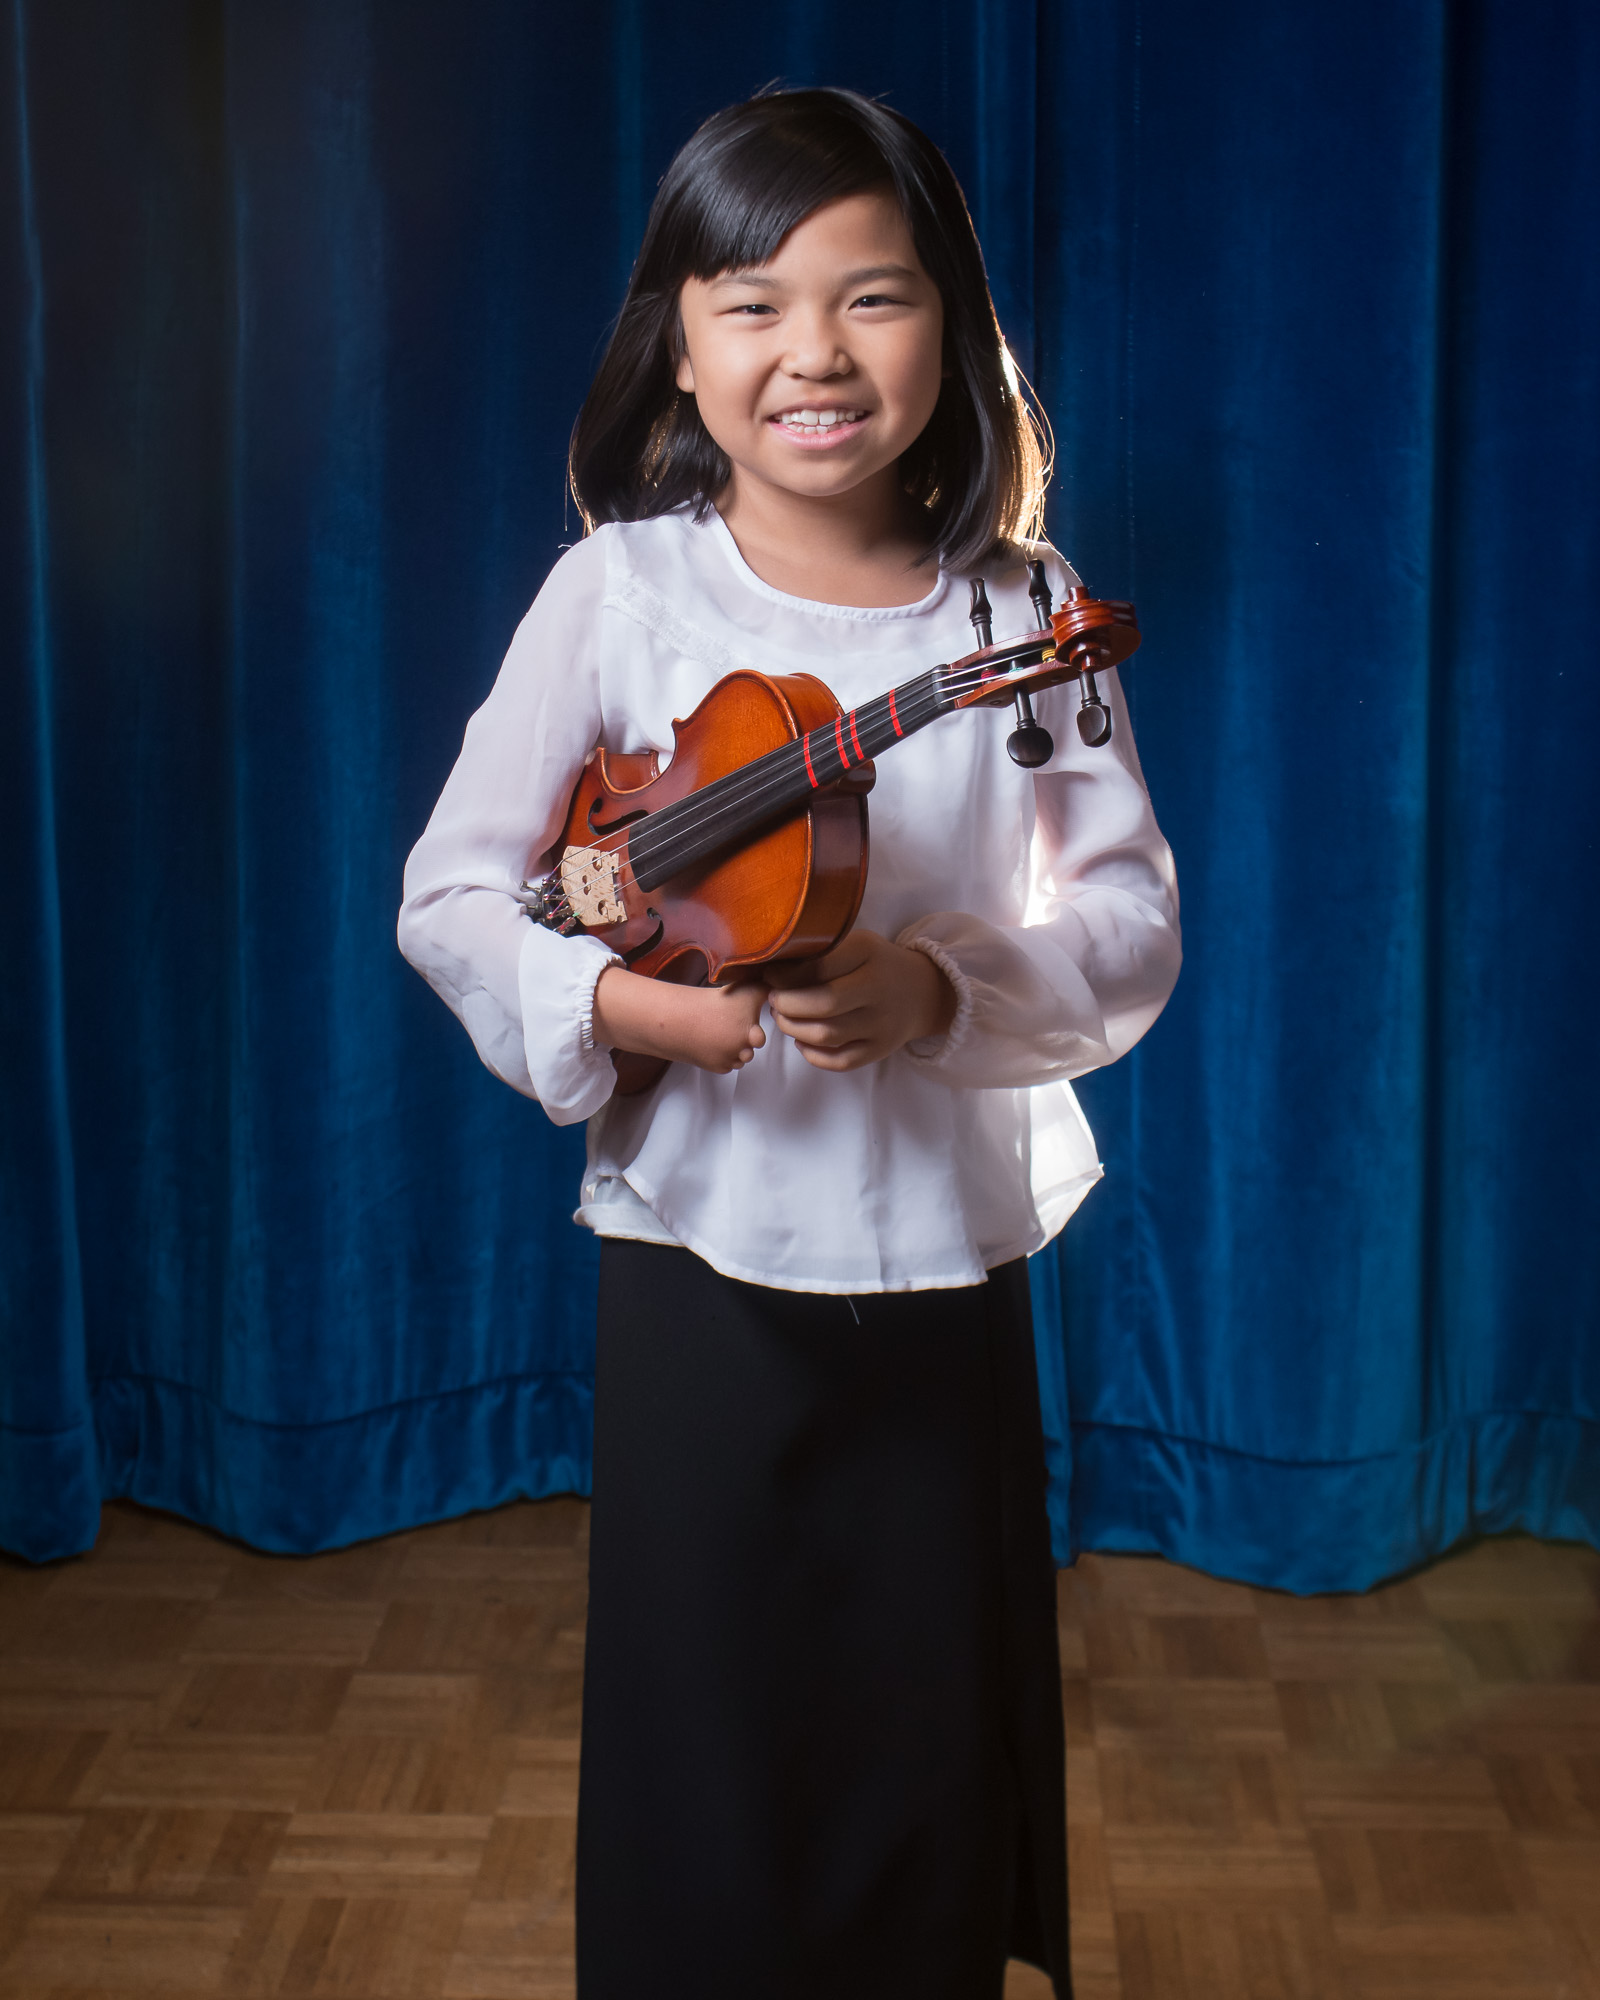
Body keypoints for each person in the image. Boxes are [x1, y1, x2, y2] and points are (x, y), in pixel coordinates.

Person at [399, 87, 1180, 2000]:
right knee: (710, 1748)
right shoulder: (621, 591)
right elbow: (453, 897)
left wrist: (942, 989)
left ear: (953, 327)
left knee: (921, 1738)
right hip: (700, 1265)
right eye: (752, 305)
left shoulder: (1025, 610)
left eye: (872, 298)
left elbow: (1132, 925)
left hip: (942, 1270)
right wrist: (632, 1007)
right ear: (679, 345)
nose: (814, 354)